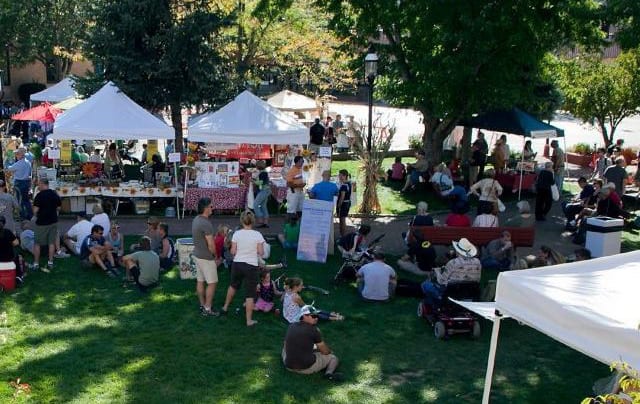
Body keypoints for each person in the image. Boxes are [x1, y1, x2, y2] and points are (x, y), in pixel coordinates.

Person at [221, 211, 265, 326]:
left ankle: (225, 307)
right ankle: (249, 320)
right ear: (253, 221)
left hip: (237, 264)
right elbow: (261, 252)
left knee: (233, 285)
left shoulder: (236, 234)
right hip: (251, 266)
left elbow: (233, 252)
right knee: (250, 293)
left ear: (242, 221)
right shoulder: (258, 235)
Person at [282, 304, 342, 381]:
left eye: (317, 316)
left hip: (288, 366)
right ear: (304, 316)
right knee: (333, 358)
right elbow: (325, 351)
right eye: (313, 316)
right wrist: (330, 351)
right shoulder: (314, 330)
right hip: (306, 368)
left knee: (285, 348)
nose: (316, 318)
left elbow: (285, 344)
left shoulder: (292, 326)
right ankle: (328, 374)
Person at [421, 238, 482, 308]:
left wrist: (437, 271)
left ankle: (434, 306)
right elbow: (478, 280)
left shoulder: (453, 263)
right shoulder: (478, 262)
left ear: (458, 250)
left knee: (425, 285)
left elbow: (441, 281)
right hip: (470, 294)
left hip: (451, 295)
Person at [192, 197, 219, 317]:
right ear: (206, 208)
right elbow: (211, 244)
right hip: (206, 258)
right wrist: (215, 255)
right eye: (211, 206)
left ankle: (203, 305)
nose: (212, 208)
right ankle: (207, 308)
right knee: (212, 283)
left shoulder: (196, 219)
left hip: (197, 255)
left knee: (200, 281)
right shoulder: (206, 224)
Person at [32, 178, 61, 273]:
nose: (38, 186)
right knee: (51, 243)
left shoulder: (39, 196)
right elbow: (59, 207)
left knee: (37, 243)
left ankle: (36, 263)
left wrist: (37, 214)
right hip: (53, 221)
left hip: (41, 223)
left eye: (39, 184)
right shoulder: (54, 194)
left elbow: (35, 211)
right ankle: (50, 262)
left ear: (42, 184)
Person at [5, 147, 33, 220]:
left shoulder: (18, 163)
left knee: (20, 201)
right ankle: (30, 215)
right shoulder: (28, 162)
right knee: (26, 200)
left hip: (19, 183)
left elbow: (8, 169)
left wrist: (7, 162)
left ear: (21, 155)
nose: (16, 156)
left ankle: (23, 216)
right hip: (26, 182)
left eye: (17, 154)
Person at [253, 160, 271, 228]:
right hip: (266, 190)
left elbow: (261, 183)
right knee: (263, 206)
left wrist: (253, 181)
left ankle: (260, 220)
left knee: (255, 205)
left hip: (264, 190)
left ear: (258, 166)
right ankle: (265, 222)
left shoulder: (262, 173)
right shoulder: (264, 172)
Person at [336, 169, 352, 237]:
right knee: (343, 220)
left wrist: (339, 205)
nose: (339, 177)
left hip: (343, 204)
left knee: (342, 221)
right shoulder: (349, 183)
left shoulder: (344, 185)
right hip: (347, 203)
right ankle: (343, 235)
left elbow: (342, 197)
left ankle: (343, 236)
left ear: (345, 176)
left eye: (340, 175)